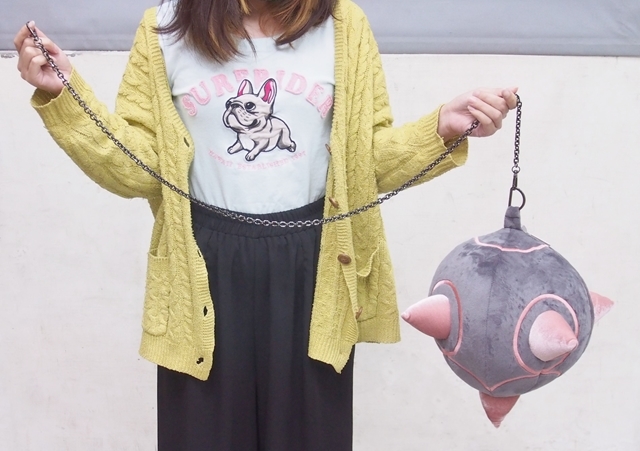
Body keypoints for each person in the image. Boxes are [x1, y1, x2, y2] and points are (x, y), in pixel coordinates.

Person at [14, 0, 518, 449]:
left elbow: (361, 164)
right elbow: (138, 169)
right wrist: (66, 96)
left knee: (309, 436)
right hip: (200, 267)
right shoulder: (164, 27)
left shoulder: (344, 25)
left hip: (314, 265)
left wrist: (440, 129)